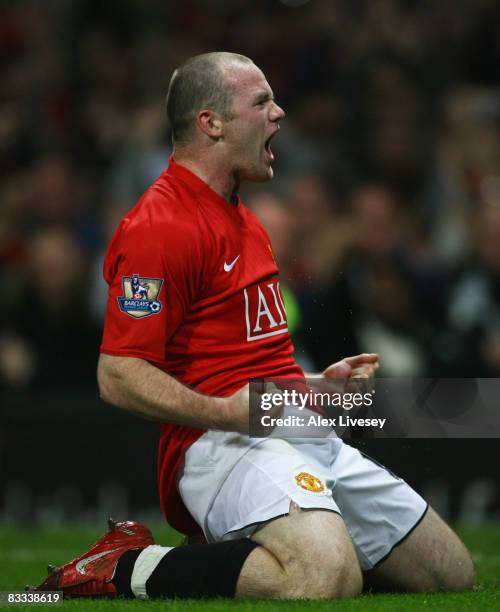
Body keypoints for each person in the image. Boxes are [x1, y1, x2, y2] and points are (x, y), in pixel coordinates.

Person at [32, 52, 474, 600]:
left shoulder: (245, 220)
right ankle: (127, 566)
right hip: (220, 443)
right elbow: (117, 374)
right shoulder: (160, 226)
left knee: (450, 575)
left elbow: (248, 368)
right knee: (322, 576)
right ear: (211, 123)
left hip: (293, 429)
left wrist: (319, 387)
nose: (279, 113)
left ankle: (241, 552)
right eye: (262, 101)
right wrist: (222, 411)